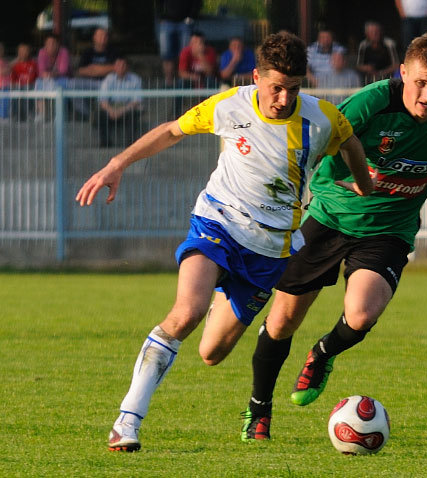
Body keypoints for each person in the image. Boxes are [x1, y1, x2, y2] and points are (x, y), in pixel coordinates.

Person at [75, 32, 375, 452]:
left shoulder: (321, 119)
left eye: (292, 89)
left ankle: (220, 289)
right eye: (275, 88)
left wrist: (363, 185)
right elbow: (171, 131)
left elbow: (353, 146)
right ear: (256, 77)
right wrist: (116, 163)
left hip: (270, 250)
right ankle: (127, 422)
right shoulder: (230, 104)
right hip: (218, 223)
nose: (283, 99)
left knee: (211, 352)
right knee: (186, 312)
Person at [213, 30, 427, 441]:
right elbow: (320, 136)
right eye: (419, 83)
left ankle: (322, 354)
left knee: (361, 314)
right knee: (284, 319)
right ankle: (259, 410)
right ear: (402, 74)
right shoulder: (372, 103)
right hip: (329, 217)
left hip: (389, 230)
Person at [95, 57, 143, 147]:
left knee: (133, 114)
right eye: (118, 65)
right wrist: (111, 111)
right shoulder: (109, 79)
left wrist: (121, 111)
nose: (120, 68)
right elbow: (103, 100)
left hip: (127, 108)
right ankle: (105, 144)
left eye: (123, 65)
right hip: (111, 108)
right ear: (114, 67)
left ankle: (130, 146)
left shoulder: (135, 79)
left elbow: (136, 101)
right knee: (101, 114)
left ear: (127, 67)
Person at [73, 27, 119, 119]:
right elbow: (81, 71)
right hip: (89, 83)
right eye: (100, 35)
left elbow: (117, 68)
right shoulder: (87, 52)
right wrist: (105, 69)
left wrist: (94, 68)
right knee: (73, 85)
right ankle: (88, 115)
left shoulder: (113, 52)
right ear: (94, 37)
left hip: (108, 84)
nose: (103, 37)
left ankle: (104, 114)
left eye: (105, 35)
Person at [157, 0, 203, 84]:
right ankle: (169, 82)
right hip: (167, 22)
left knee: (185, 54)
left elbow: (198, 2)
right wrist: (161, 16)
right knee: (166, 54)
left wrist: (192, 16)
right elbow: (158, 2)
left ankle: (182, 82)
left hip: (185, 22)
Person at [34, 34, 71, 121]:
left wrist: (49, 74)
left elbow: (63, 71)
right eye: (48, 43)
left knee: (62, 84)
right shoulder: (42, 52)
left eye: (53, 43)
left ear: (58, 44)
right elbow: (41, 71)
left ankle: (60, 115)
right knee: (38, 82)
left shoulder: (64, 52)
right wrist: (48, 75)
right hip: (48, 78)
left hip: (63, 78)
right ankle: (41, 114)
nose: (51, 46)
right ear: (45, 45)